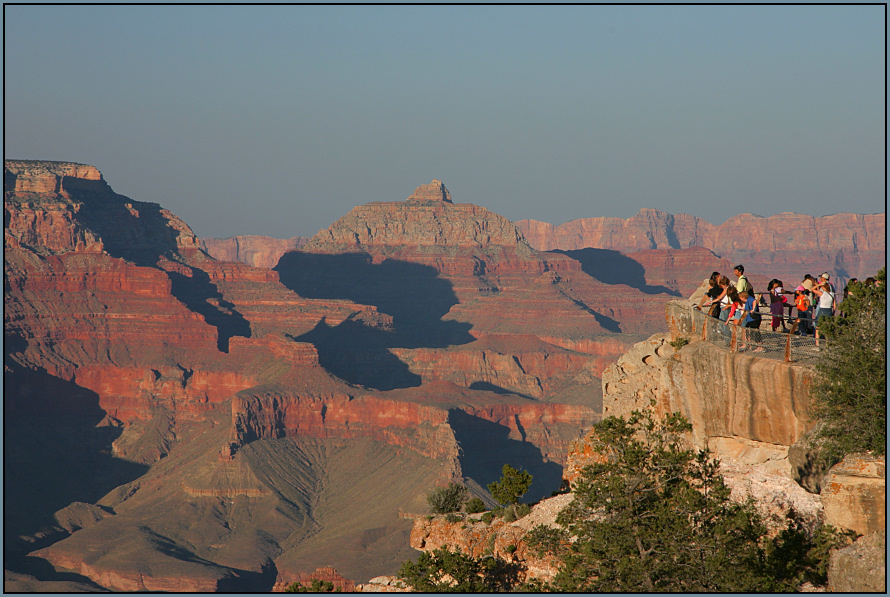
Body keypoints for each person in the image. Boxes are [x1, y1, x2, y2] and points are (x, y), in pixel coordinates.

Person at [812, 280, 836, 347]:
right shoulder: (832, 294)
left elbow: (812, 289)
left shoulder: (821, 293)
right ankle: (827, 343)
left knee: (818, 328)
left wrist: (819, 285)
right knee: (827, 327)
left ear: (824, 287)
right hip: (829, 310)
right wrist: (833, 312)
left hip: (822, 310)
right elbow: (834, 305)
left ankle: (817, 344)